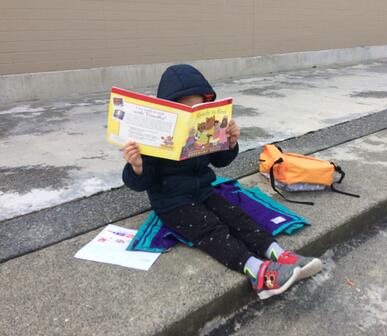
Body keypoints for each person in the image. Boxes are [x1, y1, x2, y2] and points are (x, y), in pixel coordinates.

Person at [122, 64, 322, 300]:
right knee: (210, 227)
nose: (192, 115)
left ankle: (278, 253)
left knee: (237, 216)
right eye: (186, 109)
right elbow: (139, 182)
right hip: (172, 202)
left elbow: (219, 161)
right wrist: (136, 166)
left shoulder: (205, 128)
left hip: (203, 191)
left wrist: (229, 143)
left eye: (198, 108)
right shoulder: (156, 139)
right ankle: (258, 273)